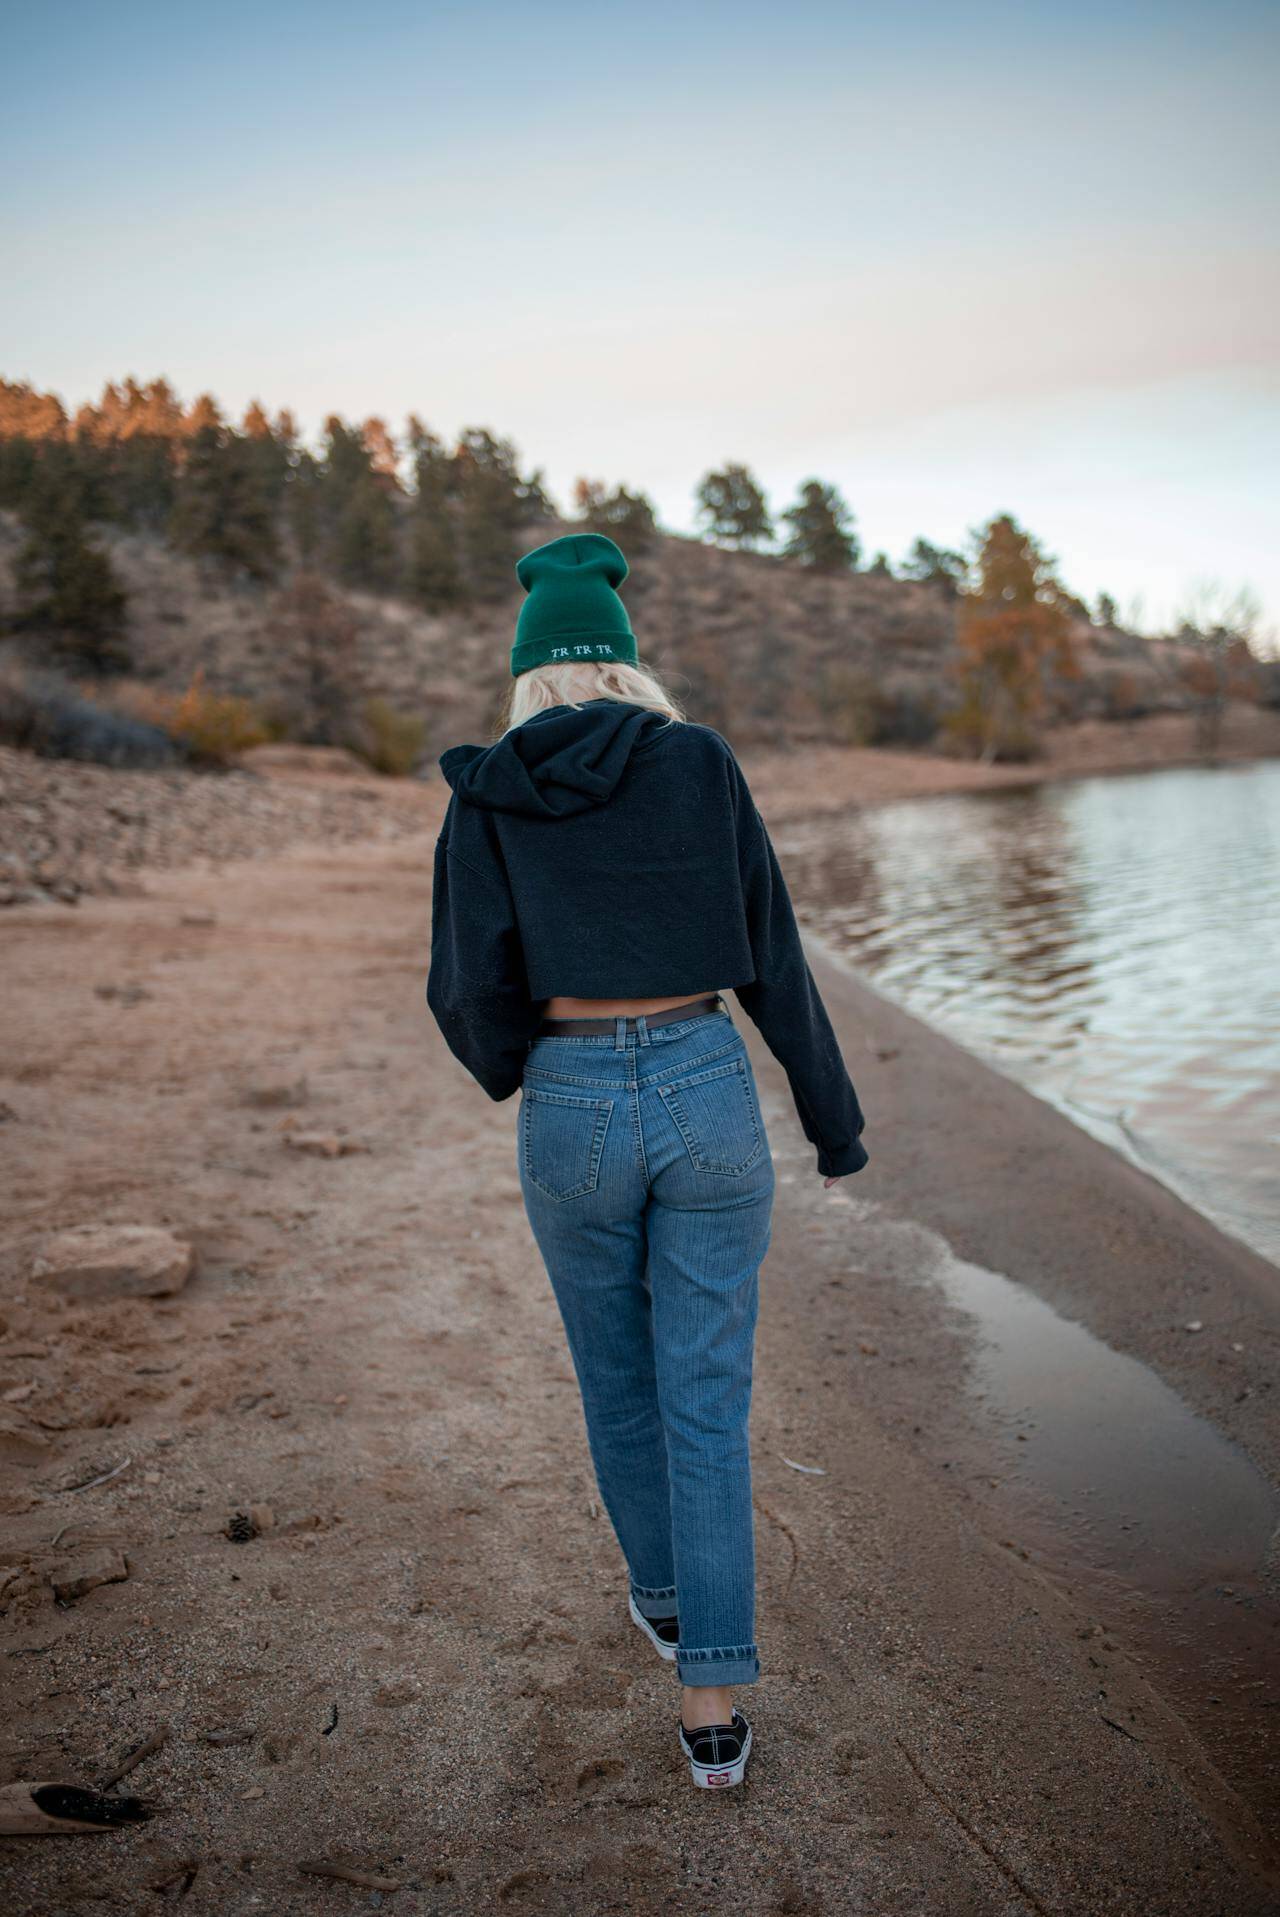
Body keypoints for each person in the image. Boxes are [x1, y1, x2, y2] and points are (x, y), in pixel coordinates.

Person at [426, 530, 869, 1789]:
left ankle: (667, 1595)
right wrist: (831, 1124)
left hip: (571, 1097)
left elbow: (463, 985)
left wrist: (529, 1065)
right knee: (707, 1397)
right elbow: (773, 952)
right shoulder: (699, 764)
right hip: (703, 1082)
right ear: (627, 664)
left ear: (526, 674)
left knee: (614, 1376)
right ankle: (712, 1704)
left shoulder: (486, 790)